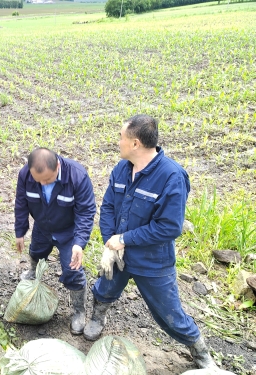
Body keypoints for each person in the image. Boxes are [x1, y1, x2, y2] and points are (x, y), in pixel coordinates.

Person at [85, 114, 217, 369]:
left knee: (170, 315)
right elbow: (109, 206)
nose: (118, 142)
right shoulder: (121, 169)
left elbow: (168, 227)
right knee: (105, 288)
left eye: (121, 137)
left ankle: (198, 349)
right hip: (118, 255)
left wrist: (124, 239)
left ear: (135, 143)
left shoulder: (171, 177)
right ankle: (98, 317)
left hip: (152, 261)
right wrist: (109, 243)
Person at [15, 148, 96, 335]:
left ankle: (79, 311)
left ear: (58, 166)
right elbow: (21, 202)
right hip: (42, 227)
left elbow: (86, 211)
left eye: (48, 180)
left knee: (72, 270)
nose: (43, 184)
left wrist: (79, 242)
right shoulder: (25, 174)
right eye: (39, 181)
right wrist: (20, 231)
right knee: (36, 252)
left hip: (69, 232)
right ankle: (33, 273)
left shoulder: (77, 175)